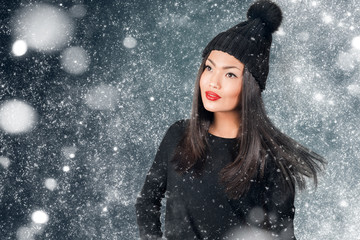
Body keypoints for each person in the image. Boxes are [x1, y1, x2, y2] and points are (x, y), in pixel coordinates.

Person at [135, 0, 325, 239]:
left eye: (230, 74)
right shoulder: (178, 134)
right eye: (209, 68)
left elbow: (283, 237)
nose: (213, 81)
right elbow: (147, 201)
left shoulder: (271, 162)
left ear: (250, 86)